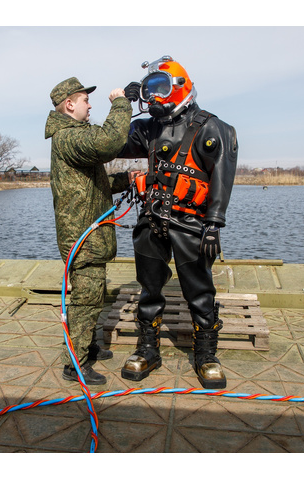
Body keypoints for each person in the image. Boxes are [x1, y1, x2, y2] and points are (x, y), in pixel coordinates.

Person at [118, 56, 238, 389]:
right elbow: (113, 143)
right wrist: (123, 107)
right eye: (148, 90)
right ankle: (148, 349)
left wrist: (214, 223)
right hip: (152, 219)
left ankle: (206, 355)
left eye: (159, 88)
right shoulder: (148, 129)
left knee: (199, 291)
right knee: (149, 288)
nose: (153, 97)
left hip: (191, 222)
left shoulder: (213, 128)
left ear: (180, 87)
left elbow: (222, 179)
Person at [45, 77, 136, 386]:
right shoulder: (69, 137)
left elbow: (94, 185)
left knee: (92, 297)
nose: (90, 104)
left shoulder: (71, 139)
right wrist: (121, 103)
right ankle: (75, 363)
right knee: (85, 301)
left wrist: (127, 179)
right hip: (82, 240)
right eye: (85, 100)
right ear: (69, 104)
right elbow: (109, 142)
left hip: (88, 237)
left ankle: (88, 346)